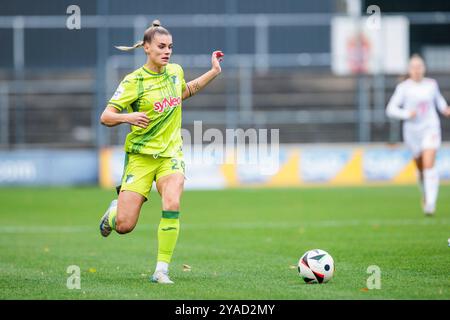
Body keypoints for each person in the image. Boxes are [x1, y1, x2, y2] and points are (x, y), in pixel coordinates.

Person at [98, 20, 224, 283]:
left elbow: (185, 91)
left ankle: (161, 270)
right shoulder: (134, 81)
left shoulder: (175, 71)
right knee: (124, 225)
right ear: (146, 48)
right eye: (161, 47)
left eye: (170, 47)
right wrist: (128, 117)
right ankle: (113, 213)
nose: (167, 52)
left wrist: (213, 72)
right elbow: (106, 116)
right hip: (141, 159)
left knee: (172, 202)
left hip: (170, 155)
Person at [386, 54, 450, 215]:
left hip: (430, 128)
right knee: (421, 167)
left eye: (419, 67)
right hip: (412, 132)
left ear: (424, 68)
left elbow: (440, 102)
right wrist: (407, 114)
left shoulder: (431, 85)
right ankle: (425, 193)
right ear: (409, 70)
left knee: (429, 163)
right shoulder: (403, 88)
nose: (417, 70)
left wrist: (446, 110)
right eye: (414, 67)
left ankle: (430, 204)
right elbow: (391, 109)